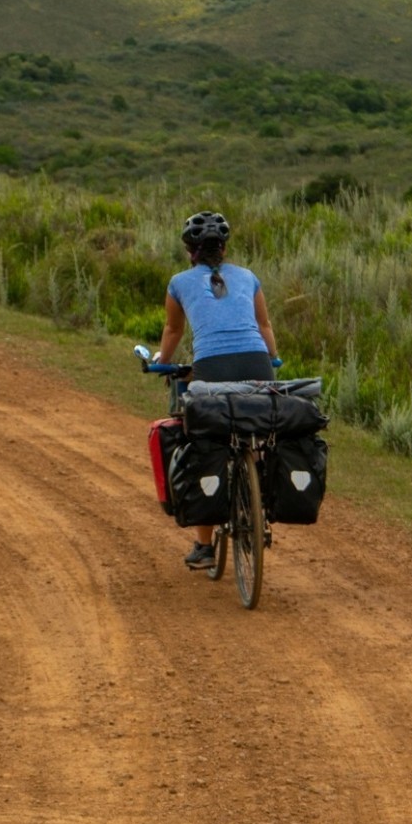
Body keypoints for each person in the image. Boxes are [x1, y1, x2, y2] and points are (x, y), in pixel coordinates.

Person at [153, 210, 281, 570]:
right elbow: (264, 326)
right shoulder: (248, 277)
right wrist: (272, 358)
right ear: (224, 248)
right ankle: (258, 495)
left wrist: (163, 361)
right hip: (257, 365)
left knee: (204, 444)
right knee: (256, 432)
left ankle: (204, 546)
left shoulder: (178, 283)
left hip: (210, 369)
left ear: (189, 251)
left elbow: (174, 331)